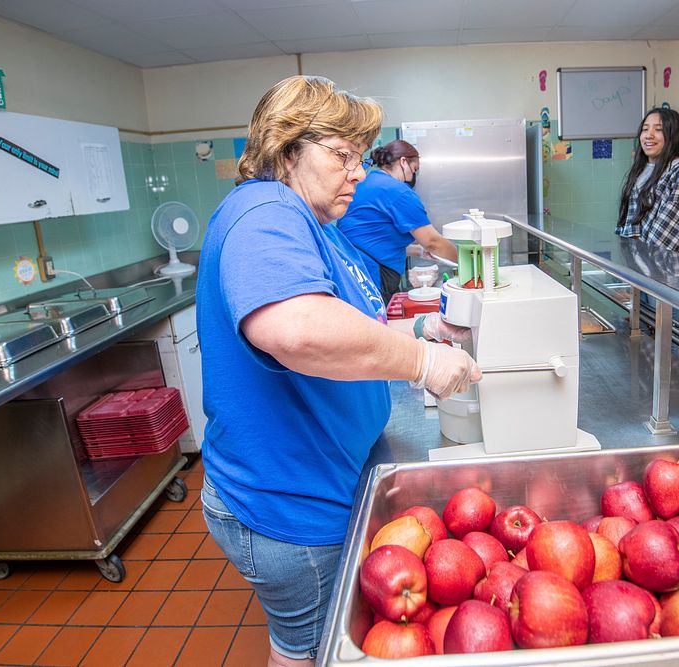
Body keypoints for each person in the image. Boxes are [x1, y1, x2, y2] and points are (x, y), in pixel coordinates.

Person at [196, 75, 480, 667]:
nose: (357, 171)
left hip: (322, 479)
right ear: (288, 148)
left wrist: (417, 332)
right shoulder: (264, 209)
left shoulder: (318, 224)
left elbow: (349, 318)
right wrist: (423, 362)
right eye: (341, 154)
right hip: (289, 503)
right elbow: (295, 329)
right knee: (309, 652)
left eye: (360, 155)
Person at [339, 139, 458, 302]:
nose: (413, 177)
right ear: (403, 162)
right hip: (375, 272)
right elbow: (432, 241)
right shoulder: (397, 191)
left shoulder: (367, 182)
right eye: (414, 169)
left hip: (353, 268)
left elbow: (372, 237)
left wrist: (418, 251)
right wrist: (464, 262)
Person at [615, 107, 679, 254]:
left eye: (658, 129)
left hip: (666, 271)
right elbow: (627, 226)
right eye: (645, 129)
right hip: (637, 268)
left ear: (672, 135)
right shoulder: (641, 169)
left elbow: (664, 241)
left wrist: (636, 268)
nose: (648, 135)